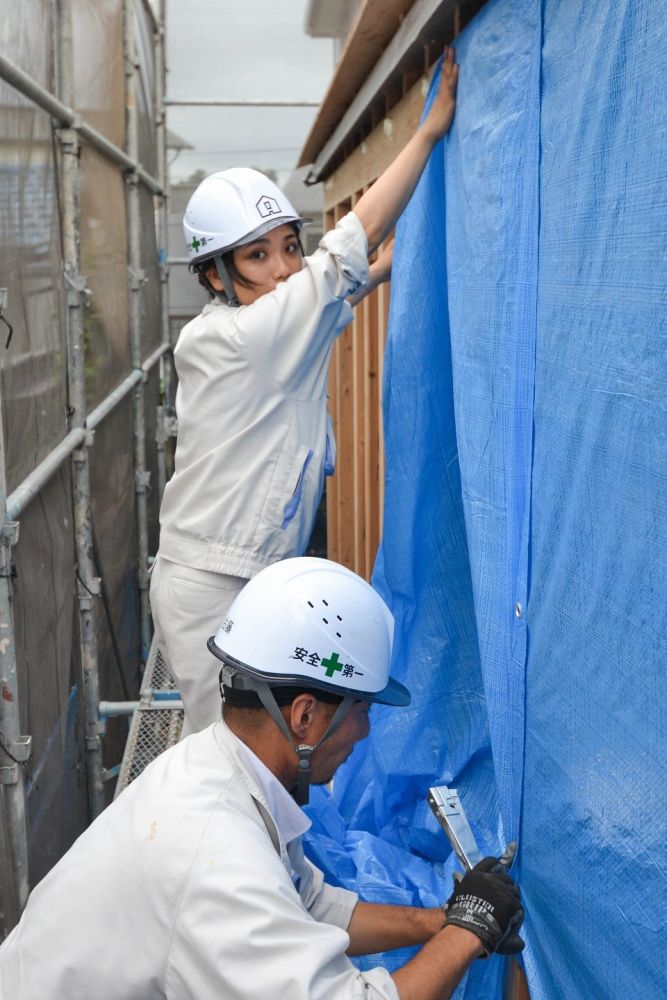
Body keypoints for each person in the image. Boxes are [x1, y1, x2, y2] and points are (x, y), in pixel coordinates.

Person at [0, 558, 524, 1000]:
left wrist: (440, 921)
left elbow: (314, 905)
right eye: (361, 709)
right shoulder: (215, 853)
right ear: (303, 717)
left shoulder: (223, 771)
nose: (365, 731)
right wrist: (467, 931)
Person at [150, 48, 460, 736]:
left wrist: (371, 276)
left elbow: (331, 287)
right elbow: (351, 242)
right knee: (226, 756)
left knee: (261, 750)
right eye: (257, 256)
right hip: (212, 583)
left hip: (244, 570)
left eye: (290, 245)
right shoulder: (240, 338)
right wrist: (427, 133)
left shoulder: (245, 327)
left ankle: (271, 845)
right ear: (214, 277)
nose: (285, 268)